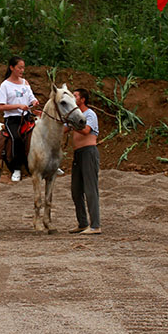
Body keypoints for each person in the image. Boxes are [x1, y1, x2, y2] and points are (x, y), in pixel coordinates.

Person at [0, 56, 39, 182]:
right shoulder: (5, 85)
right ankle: (16, 168)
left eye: (23, 68)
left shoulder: (25, 82)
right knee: (17, 138)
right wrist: (18, 106)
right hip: (12, 119)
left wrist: (34, 102)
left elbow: (31, 97)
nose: (22, 70)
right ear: (12, 68)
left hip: (26, 116)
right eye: (19, 67)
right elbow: (1, 106)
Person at [68, 88, 101, 235]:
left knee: (90, 189)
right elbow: (61, 129)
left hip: (89, 152)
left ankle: (95, 225)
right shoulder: (74, 116)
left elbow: (86, 130)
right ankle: (82, 223)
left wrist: (70, 123)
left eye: (75, 96)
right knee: (76, 190)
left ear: (82, 100)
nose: (73, 97)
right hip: (78, 154)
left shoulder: (89, 114)